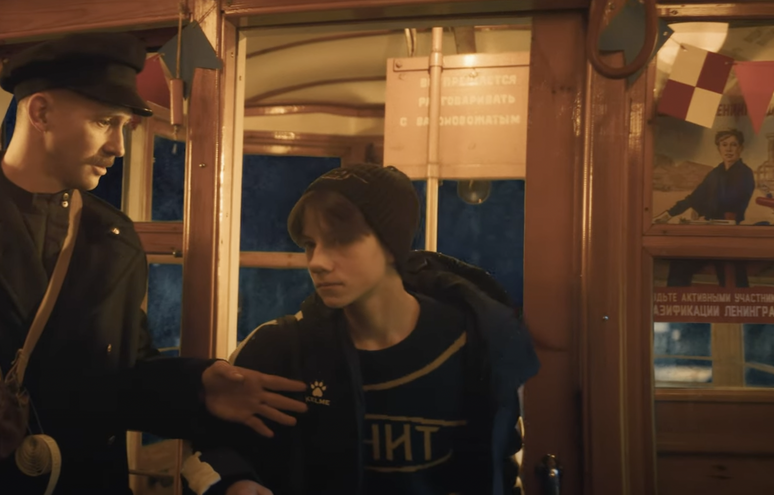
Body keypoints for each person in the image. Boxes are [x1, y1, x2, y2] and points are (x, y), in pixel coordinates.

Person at [0, 32, 307, 495]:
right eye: (104, 122)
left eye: (125, 127)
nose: (118, 147)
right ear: (41, 112)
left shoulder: (114, 237)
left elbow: (122, 376)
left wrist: (197, 386)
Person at [181, 164, 540, 495]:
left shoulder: (473, 344)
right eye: (310, 244)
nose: (317, 262)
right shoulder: (278, 349)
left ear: (391, 245)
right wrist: (234, 482)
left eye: (340, 239)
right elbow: (206, 450)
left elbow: (500, 468)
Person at [654, 128, 756, 224]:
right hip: (710, 223)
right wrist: (668, 214)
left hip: (729, 225)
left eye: (733, 145)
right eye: (724, 145)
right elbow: (695, 197)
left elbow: (732, 205)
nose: (728, 149)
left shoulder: (745, 173)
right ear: (719, 149)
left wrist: (699, 209)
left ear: (740, 148)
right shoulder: (715, 173)